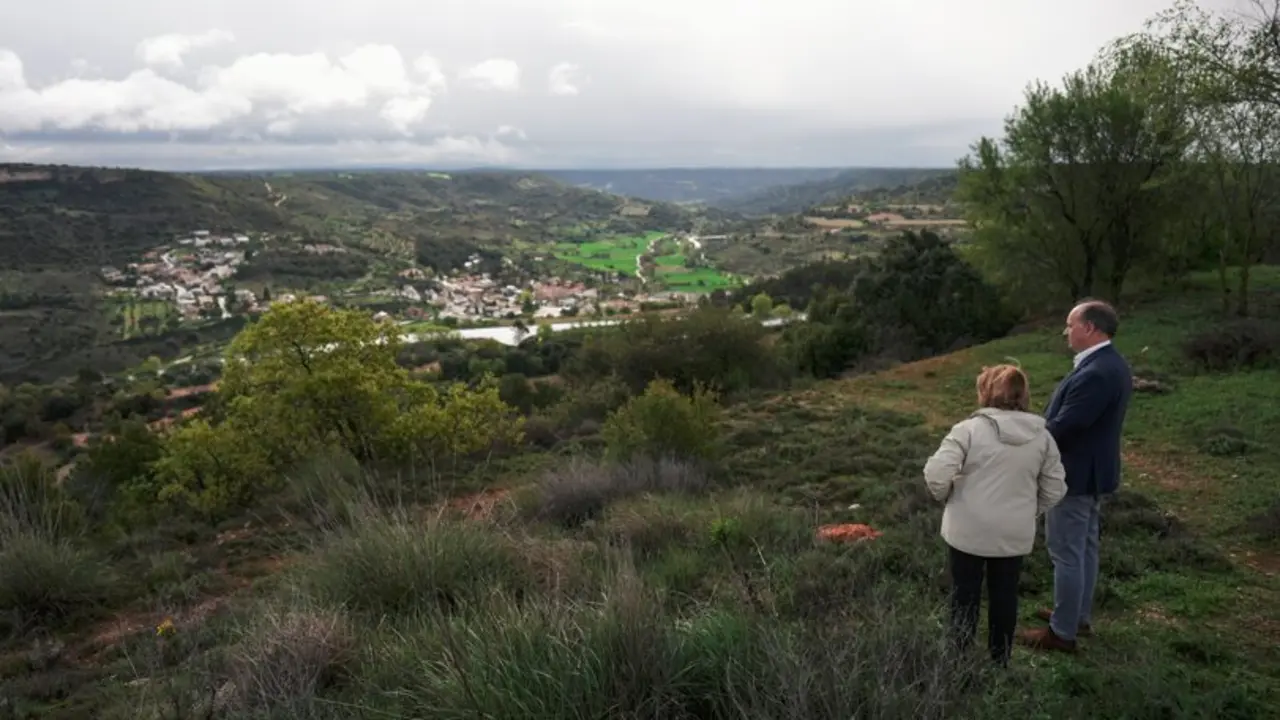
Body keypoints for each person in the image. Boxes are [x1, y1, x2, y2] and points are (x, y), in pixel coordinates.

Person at [924, 364, 1066, 666]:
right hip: (1013, 532)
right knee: (1005, 595)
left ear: (985, 391)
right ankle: (1000, 661)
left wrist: (949, 498)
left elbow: (936, 474)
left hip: (967, 529)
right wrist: (1029, 510)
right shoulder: (1043, 437)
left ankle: (959, 660)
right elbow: (1055, 487)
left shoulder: (968, 430)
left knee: (964, 595)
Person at [1017, 300, 1132, 653]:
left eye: (1070, 325)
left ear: (1090, 328)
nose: (1066, 331)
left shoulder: (1096, 372)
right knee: (1084, 548)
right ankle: (1076, 615)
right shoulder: (1110, 364)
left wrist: (1024, 441)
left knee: (1066, 551)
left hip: (1074, 476)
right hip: (1092, 472)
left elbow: (1066, 427)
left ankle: (1062, 632)